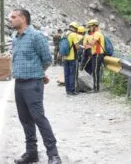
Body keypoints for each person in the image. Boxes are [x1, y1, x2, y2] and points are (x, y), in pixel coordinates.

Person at [10, 9, 61, 164]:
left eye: (13, 17)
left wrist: (38, 73)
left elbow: (47, 59)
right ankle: (32, 153)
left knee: (39, 117)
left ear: (23, 18)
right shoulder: (16, 37)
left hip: (33, 84)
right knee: (25, 119)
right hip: (18, 84)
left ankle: (53, 154)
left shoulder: (36, 36)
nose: (10, 19)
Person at [85, 19, 105, 92]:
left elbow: (93, 43)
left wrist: (87, 42)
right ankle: (95, 87)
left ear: (94, 26)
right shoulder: (96, 33)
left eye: (90, 27)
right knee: (95, 71)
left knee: (95, 71)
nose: (89, 29)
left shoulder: (97, 33)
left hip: (98, 54)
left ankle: (96, 88)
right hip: (96, 54)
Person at [63, 22, 81, 95]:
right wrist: (80, 47)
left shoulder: (64, 34)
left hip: (65, 57)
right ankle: (72, 90)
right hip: (72, 57)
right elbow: (77, 47)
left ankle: (67, 90)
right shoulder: (73, 34)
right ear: (75, 28)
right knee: (72, 74)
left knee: (66, 74)